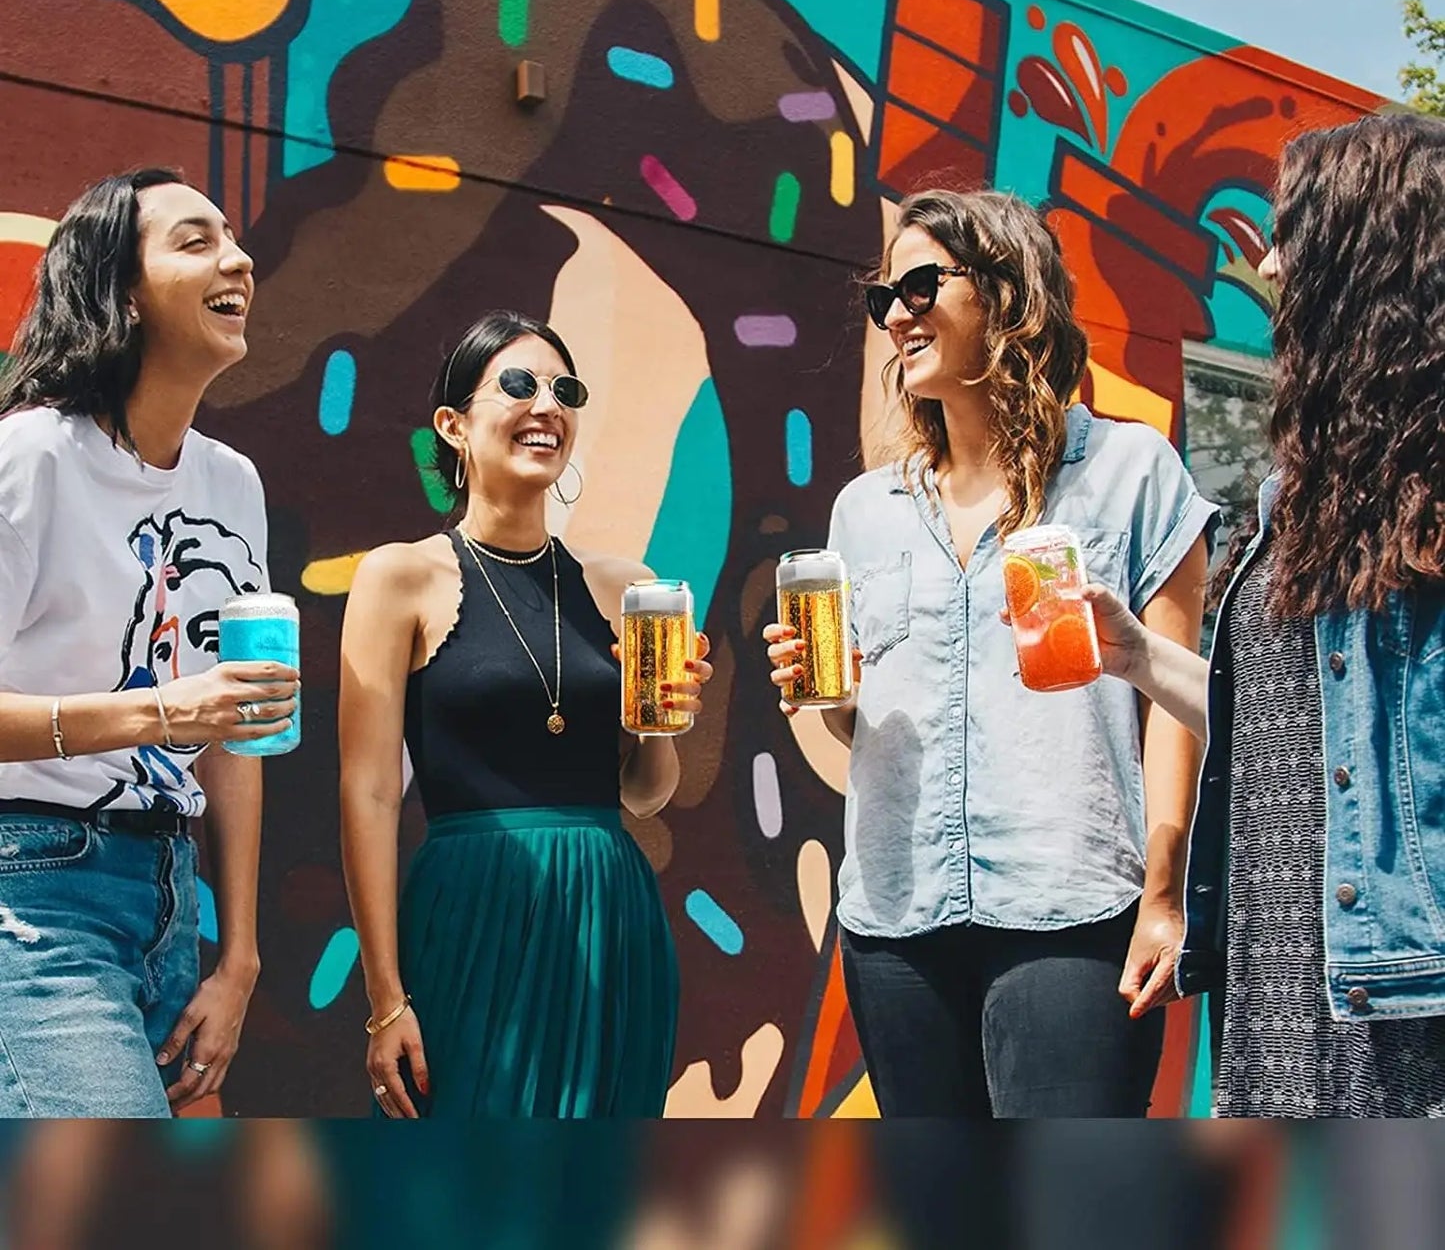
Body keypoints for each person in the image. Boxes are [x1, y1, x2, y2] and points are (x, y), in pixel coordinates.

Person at [764, 188, 1218, 1117]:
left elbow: (1176, 711)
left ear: (1009, 293)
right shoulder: (864, 510)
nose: (897, 312)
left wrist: (1164, 895)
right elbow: (867, 725)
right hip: (895, 921)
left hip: (1074, 911)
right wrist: (825, 694)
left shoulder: (1132, 473)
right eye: (883, 294)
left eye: (924, 282)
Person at [1073, 112, 1445, 1117]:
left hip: (1402, 997)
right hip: (1277, 975)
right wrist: (1141, 655)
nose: (1269, 264)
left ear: (1360, 258)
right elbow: (1285, 730)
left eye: (1290, 235)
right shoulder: (1299, 493)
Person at [339, 309, 711, 1118]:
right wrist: (385, 996)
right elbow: (367, 793)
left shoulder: (627, 585)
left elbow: (644, 792)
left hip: (609, 912)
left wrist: (661, 720)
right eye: (517, 383)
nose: (547, 404)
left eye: (564, 389)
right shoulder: (399, 577)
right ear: (454, 425)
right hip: (472, 912)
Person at [0, 167, 296, 1117]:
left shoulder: (231, 483)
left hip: (172, 893)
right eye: (194, 240)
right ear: (121, 289)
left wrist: (239, 955)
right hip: (34, 887)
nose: (238, 258)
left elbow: (238, 732)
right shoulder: (31, 457)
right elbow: (193, 712)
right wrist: (163, 710)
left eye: (234, 240)